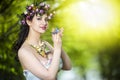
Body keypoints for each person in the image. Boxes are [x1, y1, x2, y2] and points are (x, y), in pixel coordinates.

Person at [13, 1, 72, 80]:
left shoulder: (46, 44)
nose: (44, 22)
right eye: (39, 19)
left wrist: (59, 43)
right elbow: (49, 77)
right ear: (29, 21)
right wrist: (57, 48)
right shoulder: (23, 51)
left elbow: (67, 66)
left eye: (46, 19)